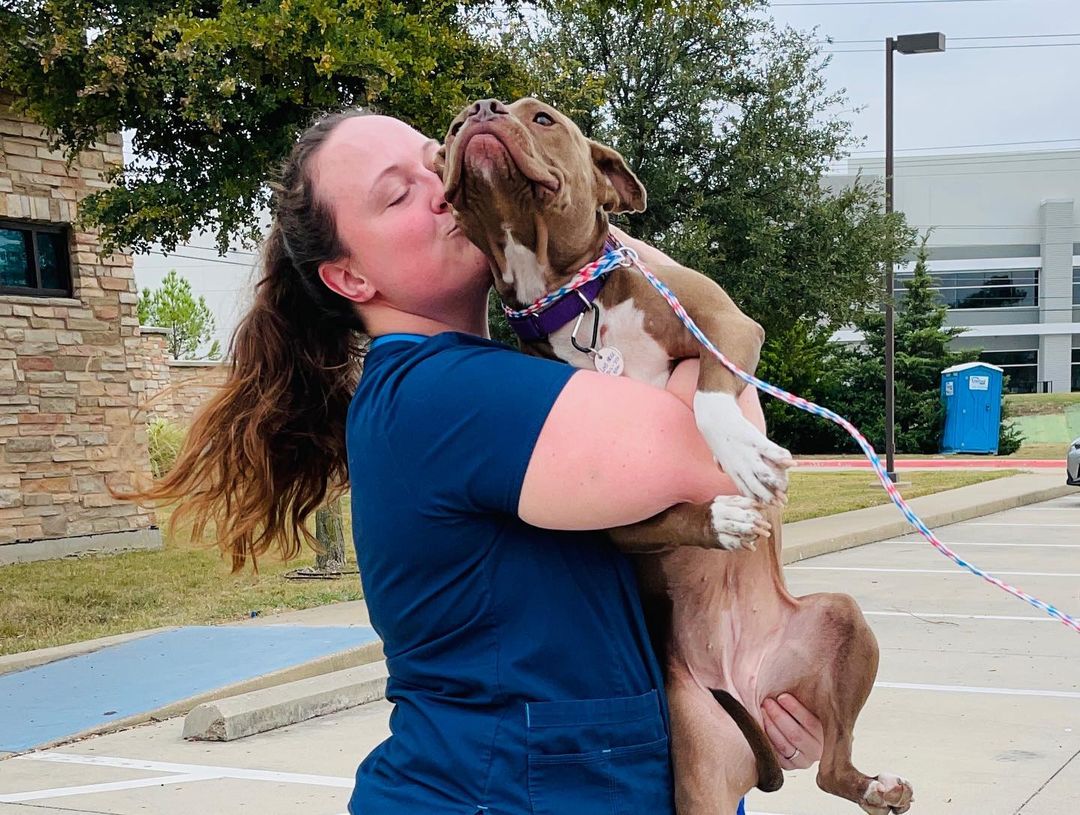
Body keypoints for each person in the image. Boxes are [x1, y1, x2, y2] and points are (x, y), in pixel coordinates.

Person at [141, 109, 823, 814]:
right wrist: (638, 276)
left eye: (436, 164)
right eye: (395, 194)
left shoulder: (492, 372)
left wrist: (752, 713)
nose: (439, 190)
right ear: (349, 276)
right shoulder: (445, 394)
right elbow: (721, 459)